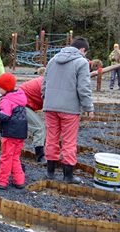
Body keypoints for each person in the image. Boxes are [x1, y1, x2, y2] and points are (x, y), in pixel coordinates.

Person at [42, 36, 94, 184]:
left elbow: (44, 84)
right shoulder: (81, 62)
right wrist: (88, 107)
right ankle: (67, 176)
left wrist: (46, 99)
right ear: (82, 49)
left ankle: (50, 173)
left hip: (50, 107)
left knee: (51, 139)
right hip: (69, 109)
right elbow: (84, 87)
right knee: (69, 141)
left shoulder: (52, 60)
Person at [0, 73, 27, 189]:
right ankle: (19, 180)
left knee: (6, 157)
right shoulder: (19, 97)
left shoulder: (6, 100)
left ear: (5, 88)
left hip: (10, 133)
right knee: (15, 157)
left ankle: (2, 182)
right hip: (21, 133)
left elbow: (4, 116)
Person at [19, 67, 46, 164]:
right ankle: (40, 157)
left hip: (24, 101)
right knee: (39, 127)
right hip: (20, 104)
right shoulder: (47, 83)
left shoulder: (47, 80)